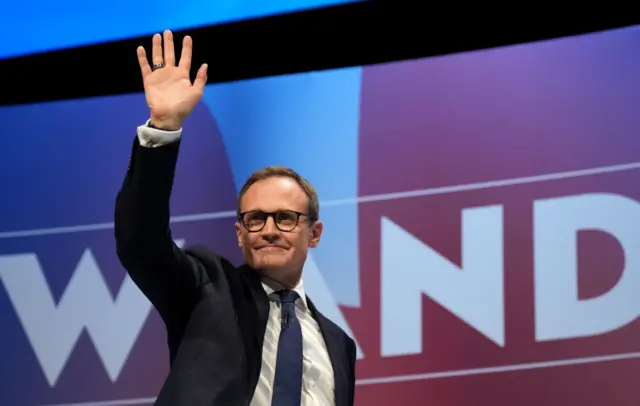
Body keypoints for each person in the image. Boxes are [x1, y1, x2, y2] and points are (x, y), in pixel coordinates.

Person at [114, 30, 357, 406]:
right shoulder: (206, 289)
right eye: (255, 219)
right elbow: (140, 241)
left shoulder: (339, 345)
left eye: (286, 218)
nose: (270, 230)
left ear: (315, 233)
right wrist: (163, 126)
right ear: (240, 233)